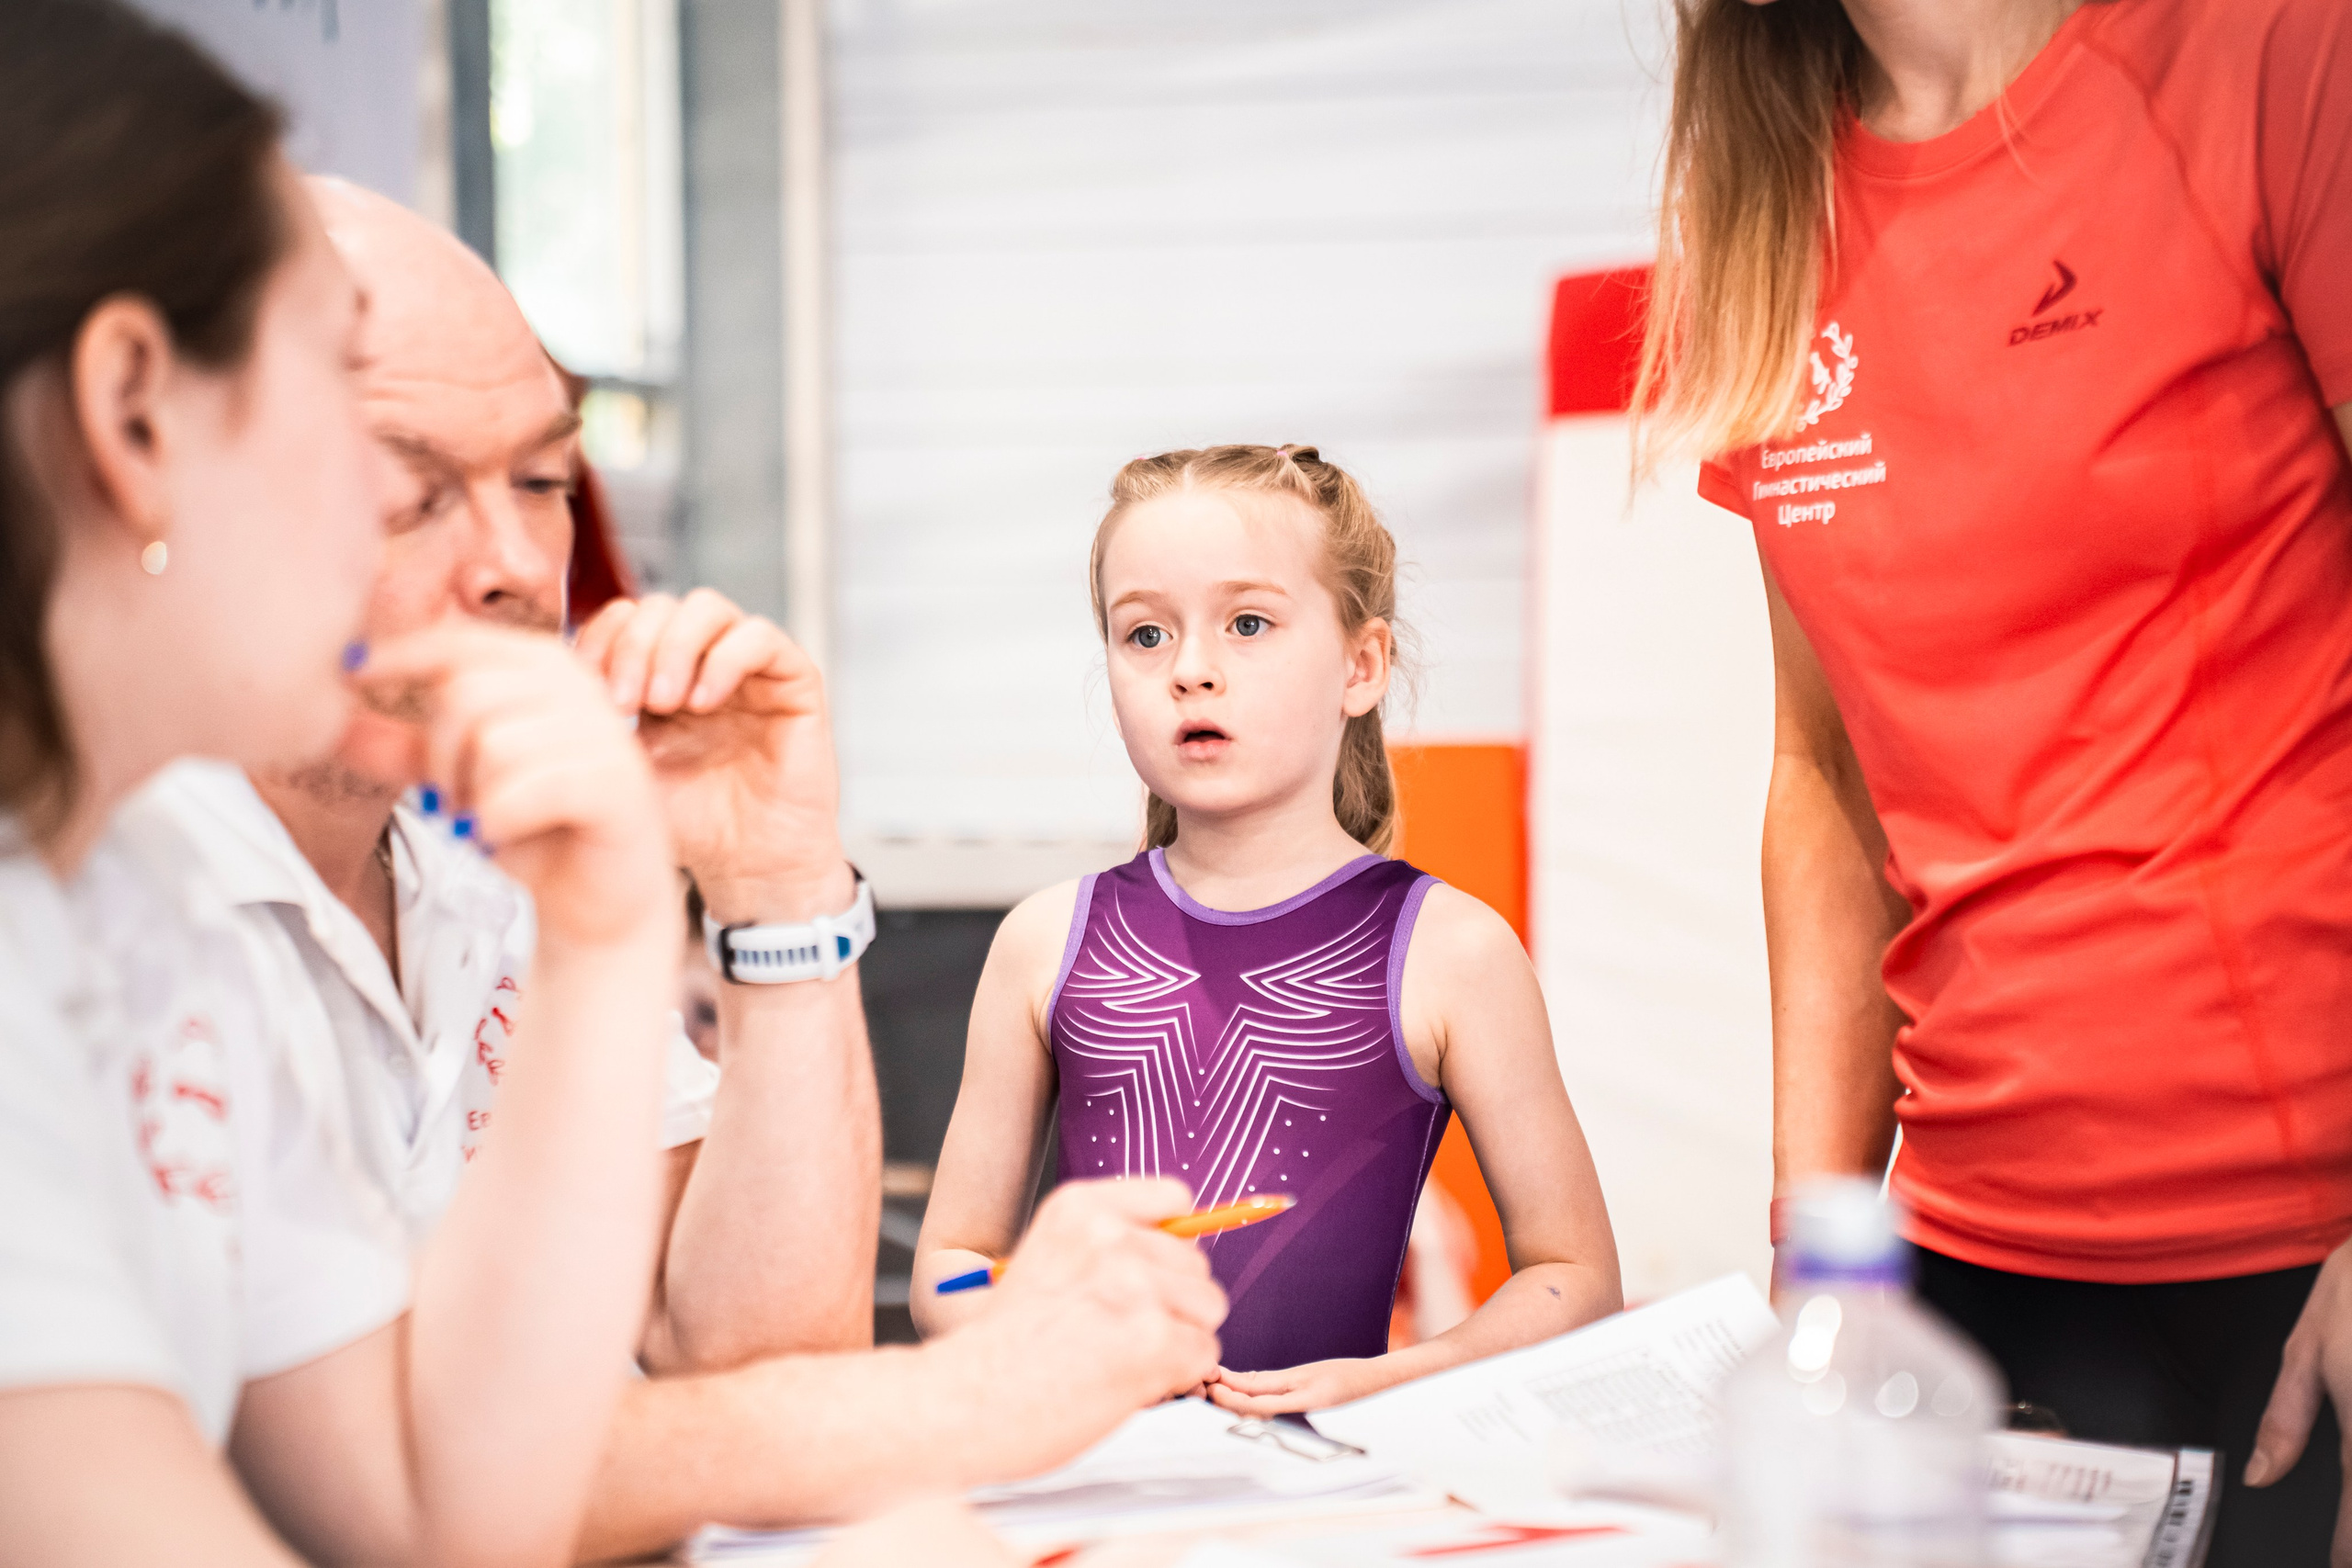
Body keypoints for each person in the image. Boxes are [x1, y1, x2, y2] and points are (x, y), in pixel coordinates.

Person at [145, 178, 1229, 1560]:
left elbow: (744, 1350)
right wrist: (962, 1395)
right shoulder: (86, 896)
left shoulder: (479, 865)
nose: (513, 563)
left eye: (542, 481)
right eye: (404, 491)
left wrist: (775, 887)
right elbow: (369, 1485)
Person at [1636, 0, 2352, 1562]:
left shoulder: (2270, 57)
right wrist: (1815, 1271)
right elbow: (1823, 771)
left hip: (2298, 1244)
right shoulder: (1763, 203)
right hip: (1966, 1269)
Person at [0, 4, 683, 1564]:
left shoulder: (136, 898)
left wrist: (604, 932)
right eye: (365, 432)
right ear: (132, 412)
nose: (512, 565)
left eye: (533, 483)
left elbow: (436, 1514)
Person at [915, 444, 1622, 1415]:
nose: (1191, 671)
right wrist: (1017, 1334)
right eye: (1144, 635)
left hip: (1323, 1493)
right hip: (1085, 1476)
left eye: (1247, 624)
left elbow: (1574, 1276)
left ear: (1361, 666)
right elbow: (952, 1260)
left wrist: (1388, 1380)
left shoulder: (1453, 953)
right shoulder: (1043, 942)